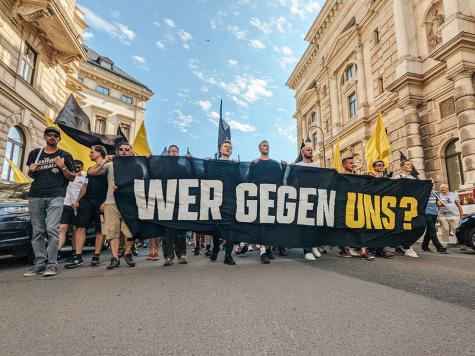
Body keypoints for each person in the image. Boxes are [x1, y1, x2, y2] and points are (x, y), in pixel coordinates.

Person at [23, 126, 75, 277]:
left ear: (59, 139)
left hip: (56, 195)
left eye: (55, 135)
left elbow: (72, 177)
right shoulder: (35, 154)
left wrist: (63, 166)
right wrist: (31, 170)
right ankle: (39, 264)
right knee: (37, 231)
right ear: (45, 137)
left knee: (52, 229)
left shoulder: (65, 154)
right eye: (49, 135)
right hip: (36, 195)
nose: (52, 137)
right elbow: (32, 175)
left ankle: (51, 264)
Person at [65, 145, 109, 268]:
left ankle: (96, 256)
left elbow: (111, 185)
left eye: (92, 152)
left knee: (101, 230)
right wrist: (78, 200)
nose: (90, 154)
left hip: (101, 201)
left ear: (99, 153)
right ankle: (78, 257)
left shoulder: (109, 167)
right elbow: (85, 185)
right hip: (87, 201)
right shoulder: (90, 169)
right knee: (80, 227)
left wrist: (106, 201)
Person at [249, 140, 286, 264]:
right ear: (259, 148)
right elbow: (249, 179)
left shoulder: (275, 164)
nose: (267, 147)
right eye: (264, 146)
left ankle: (268, 249)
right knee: (262, 223)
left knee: (271, 222)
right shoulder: (255, 163)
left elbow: (280, 180)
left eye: (268, 146)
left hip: (273, 196)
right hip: (260, 195)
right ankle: (263, 251)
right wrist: (249, 165)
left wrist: (284, 167)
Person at [101, 142, 137, 269]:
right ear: (117, 152)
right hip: (111, 202)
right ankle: (115, 257)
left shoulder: (137, 165)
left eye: (127, 149)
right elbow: (93, 173)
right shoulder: (110, 165)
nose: (123, 151)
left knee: (131, 231)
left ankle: (127, 253)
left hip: (129, 202)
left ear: (132, 152)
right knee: (112, 231)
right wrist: (104, 160)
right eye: (121, 149)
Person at [209, 139, 237, 265]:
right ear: (220, 149)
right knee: (216, 227)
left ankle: (228, 256)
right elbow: (206, 176)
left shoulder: (234, 164)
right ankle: (215, 247)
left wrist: (240, 167)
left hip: (230, 199)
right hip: (216, 198)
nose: (228, 148)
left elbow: (241, 179)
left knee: (230, 227)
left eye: (230, 147)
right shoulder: (214, 163)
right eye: (225, 146)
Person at [294, 145, 322, 261]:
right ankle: (307, 250)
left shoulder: (316, 166)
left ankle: (314, 245)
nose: (310, 151)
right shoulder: (297, 166)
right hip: (302, 197)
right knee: (305, 224)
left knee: (315, 223)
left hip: (314, 196)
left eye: (311, 150)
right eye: (308, 150)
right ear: (302, 152)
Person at [162, 145, 188, 266]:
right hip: (166, 202)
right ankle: (168, 257)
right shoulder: (161, 166)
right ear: (168, 153)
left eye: (175, 151)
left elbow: (192, 175)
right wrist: (148, 160)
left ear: (178, 154)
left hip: (180, 202)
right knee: (167, 232)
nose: (173, 153)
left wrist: (190, 161)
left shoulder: (182, 167)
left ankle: (182, 254)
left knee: (180, 231)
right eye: (171, 151)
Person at [58, 160, 87, 262]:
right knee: (62, 228)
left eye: (79, 165)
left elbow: (85, 190)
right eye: (75, 165)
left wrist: (78, 201)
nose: (77, 167)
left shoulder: (84, 178)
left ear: (82, 167)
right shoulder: (67, 177)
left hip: (77, 206)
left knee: (76, 230)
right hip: (65, 204)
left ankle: (74, 253)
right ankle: (56, 252)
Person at [392, 159, 419, 258]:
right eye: (407, 164)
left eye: (410, 164)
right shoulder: (397, 177)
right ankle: (406, 247)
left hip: (411, 206)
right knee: (401, 226)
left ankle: (406, 246)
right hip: (400, 205)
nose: (410, 166)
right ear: (402, 167)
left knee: (411, 226)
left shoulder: (414, 178)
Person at [367, 160, 394, 258]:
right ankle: (373, 248)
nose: (381, 167)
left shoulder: (386, 178)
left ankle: (383, 249)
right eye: (379, 165)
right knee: (373, 227)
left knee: (384, 226)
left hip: (384, 204)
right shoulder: (370, 177)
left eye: (382, 165)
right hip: (372, 204)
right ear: (374, 167)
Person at [422, 180, 447, 253]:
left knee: (429, 230)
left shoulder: (435, 193)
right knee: (432, 229)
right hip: (426, 213)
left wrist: (442, 204)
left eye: (433, 184)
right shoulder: (424, 193)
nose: (432, 185)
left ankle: (424, 246)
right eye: (431, 184)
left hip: (434, 214)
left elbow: (438, 204)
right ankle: (439, 247)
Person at [437, 183, 463, 248]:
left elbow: (459, 205)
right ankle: (445, 243)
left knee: (456, 230)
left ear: (447, 188)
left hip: (454, 215)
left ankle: (460, 242)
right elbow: (437, 206)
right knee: (445, 229)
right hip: (442, 215)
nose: (441, 189)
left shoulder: (454, 195)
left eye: (443, 187)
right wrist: (437, 213)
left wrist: (461, 215)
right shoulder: (438, 196)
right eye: (440, 188)